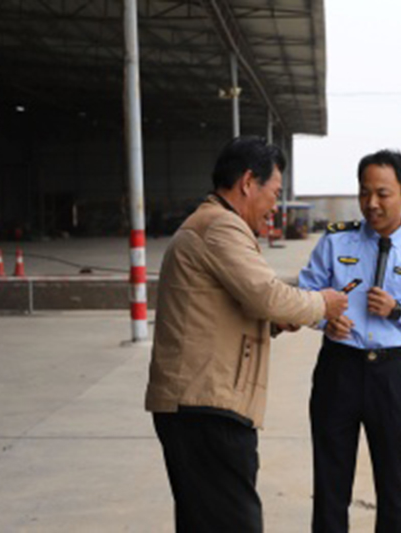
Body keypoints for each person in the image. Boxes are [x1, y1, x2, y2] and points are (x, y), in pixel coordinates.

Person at [146, 136, 349, 533]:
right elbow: (267, 295)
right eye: (274, 192)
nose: (275, 205)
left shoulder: (212, 223)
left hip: (198, 403)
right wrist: (320, 304)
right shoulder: (220, 226)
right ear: (247, 182)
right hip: (205, 405)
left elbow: (233, 306)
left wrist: (274, 322)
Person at [299, 149, 401, 533]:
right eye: (365, 192)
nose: (371, 203)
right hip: (338, 369)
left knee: (394, 481)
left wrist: (398, 310)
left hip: (389, 374)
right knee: (330, 481)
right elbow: (305, 293)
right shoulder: (336, 242)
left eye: (383, 194)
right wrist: (324, 319)